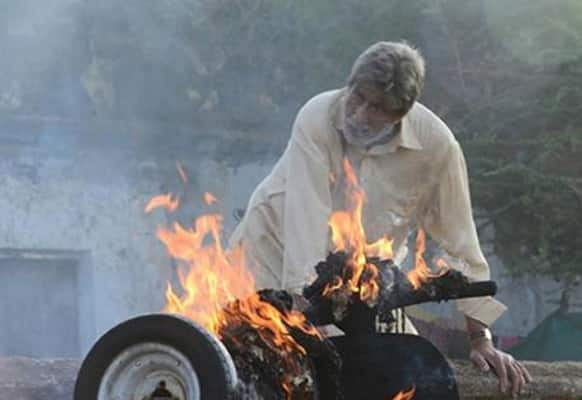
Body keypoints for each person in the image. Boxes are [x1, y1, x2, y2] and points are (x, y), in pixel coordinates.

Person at [229, 41, 532, 397]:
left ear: (401, 113)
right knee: (276, 378)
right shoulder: (317, 117)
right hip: (269, 259)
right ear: (349, 85)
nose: (359, 114)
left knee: (413, 381)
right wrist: (299, 314)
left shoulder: (438, 148)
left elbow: (462, 246)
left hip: (360, 286)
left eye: (377, 109)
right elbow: (305, 222)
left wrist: (480, 339)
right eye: (357, 98)